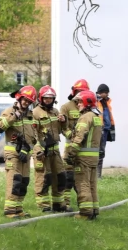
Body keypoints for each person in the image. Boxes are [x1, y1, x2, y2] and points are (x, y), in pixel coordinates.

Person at [0, 85, 38, 219]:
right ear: (19, 98)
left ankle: (18, 208)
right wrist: (14, 116)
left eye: (29, 101)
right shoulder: (9, 112)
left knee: (24, 181)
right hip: (13, 154)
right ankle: (9, 210)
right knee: (15, 181)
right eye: (25, 100)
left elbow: (34, 135)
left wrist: (28, 148)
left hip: (25, 154)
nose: (26, 103)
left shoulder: (31, 116)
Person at [65, 90, 103, 220]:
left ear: (87, 102)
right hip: (93, 158)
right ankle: (94, 210)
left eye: (80, 101)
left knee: (83, 184)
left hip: (83, 158)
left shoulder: (85, 117)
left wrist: (71, 153)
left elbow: (80, 136)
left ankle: (85, 212)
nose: (78, 104)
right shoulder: (96, 116)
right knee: (92, 184)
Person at [32, 85, 68, 212]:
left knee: (60, 176)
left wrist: (64, 121)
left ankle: (59, 204)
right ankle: (44, 206)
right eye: (46, 98)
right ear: (41, 98)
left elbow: (61, 130)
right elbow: (32, 135)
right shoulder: (35, 113)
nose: (48, 100)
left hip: (55, 150)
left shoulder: (56, 112)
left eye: (51, 98)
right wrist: (38, 152)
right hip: (42, 152)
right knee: (44, 178)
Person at [58, 79, 89, 210]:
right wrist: (72, 135)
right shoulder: (66, 107)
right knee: (68, 177)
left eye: (83, 91)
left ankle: (83, 203)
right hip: (70, 146)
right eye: (79, 91)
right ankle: (66, 203)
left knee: (82, 178)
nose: (81, 94)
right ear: (74, 92)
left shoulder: (89, 107)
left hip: (84, 149)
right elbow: (62, 127)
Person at [96, 83, 115, 178]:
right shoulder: (95, 102)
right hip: (99, 129)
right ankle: (97, 175)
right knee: (99, 152)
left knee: (101, 152)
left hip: (106, 130)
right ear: (101, 92)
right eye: (106, 93)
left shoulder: (106, 102)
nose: (107, 95)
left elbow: (108, 115)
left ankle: (98, 175)